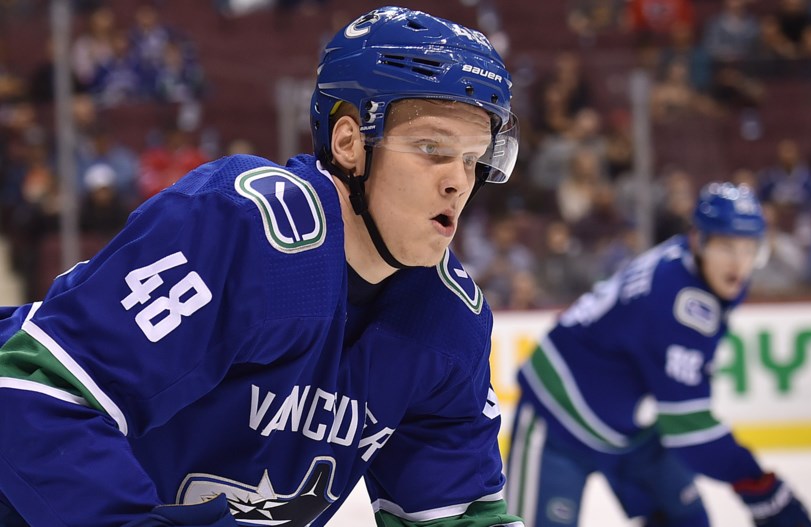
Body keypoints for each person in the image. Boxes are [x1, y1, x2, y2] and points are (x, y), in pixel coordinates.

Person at [0, 6, 523, 527]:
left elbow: (457, 517)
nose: (459, 181)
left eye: (473, 158)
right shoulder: (246, 230)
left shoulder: (447, 324)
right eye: (433, 148)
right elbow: (29, 393)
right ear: (349, 144)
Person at [506, 183, 811, 526]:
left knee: (687, 519)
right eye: (727, 246)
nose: (739, 264)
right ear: (699, 240)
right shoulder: (677, 300)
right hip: (557, 419)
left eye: (749, 249)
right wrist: (760, 486)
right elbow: (689, 427)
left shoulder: (694, 268)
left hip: (628, 429)